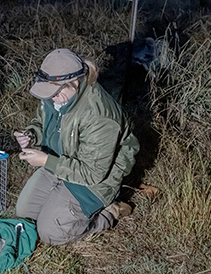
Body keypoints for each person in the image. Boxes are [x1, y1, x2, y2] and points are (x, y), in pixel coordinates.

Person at [14, 48, 140, 245]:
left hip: (93, 181)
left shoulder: (100, 116)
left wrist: (46, 160)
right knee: (25, 213)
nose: (50, 97)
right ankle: (61, 199)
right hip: (59, 162)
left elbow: (93, 173)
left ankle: (108, 214)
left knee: (50, 234)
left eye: (54, 92)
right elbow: (41, 122)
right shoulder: (55, 96)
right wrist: (31, 135)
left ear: (74, 82)